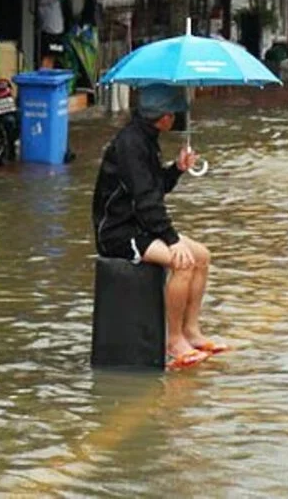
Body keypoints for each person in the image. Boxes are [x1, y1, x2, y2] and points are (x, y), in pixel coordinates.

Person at [91, 85, 228, 369]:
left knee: (201, 256)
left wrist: (177, 169)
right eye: (174, 114)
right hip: (119, 232)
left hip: (141, 226)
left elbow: (155, 189)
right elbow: (145, 202)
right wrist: (171, 239)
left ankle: (191, 330)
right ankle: (174, 339)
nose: (176, 119)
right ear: (164, 116)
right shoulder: (130, 144)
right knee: (183, 263)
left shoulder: (147, 139)